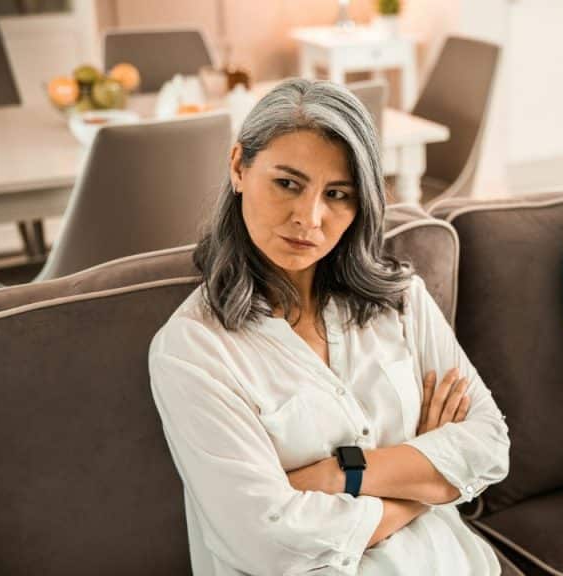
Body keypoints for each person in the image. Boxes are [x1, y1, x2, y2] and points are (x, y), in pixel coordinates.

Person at [148, 78, 510, 575]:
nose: (309, 217)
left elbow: (489, 445)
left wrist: (341, 475)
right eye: (287, 184)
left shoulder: (401, 299)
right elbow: (268, 540)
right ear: (238, 167)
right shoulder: (193, 350)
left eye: (337, 193)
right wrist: (424, 484)